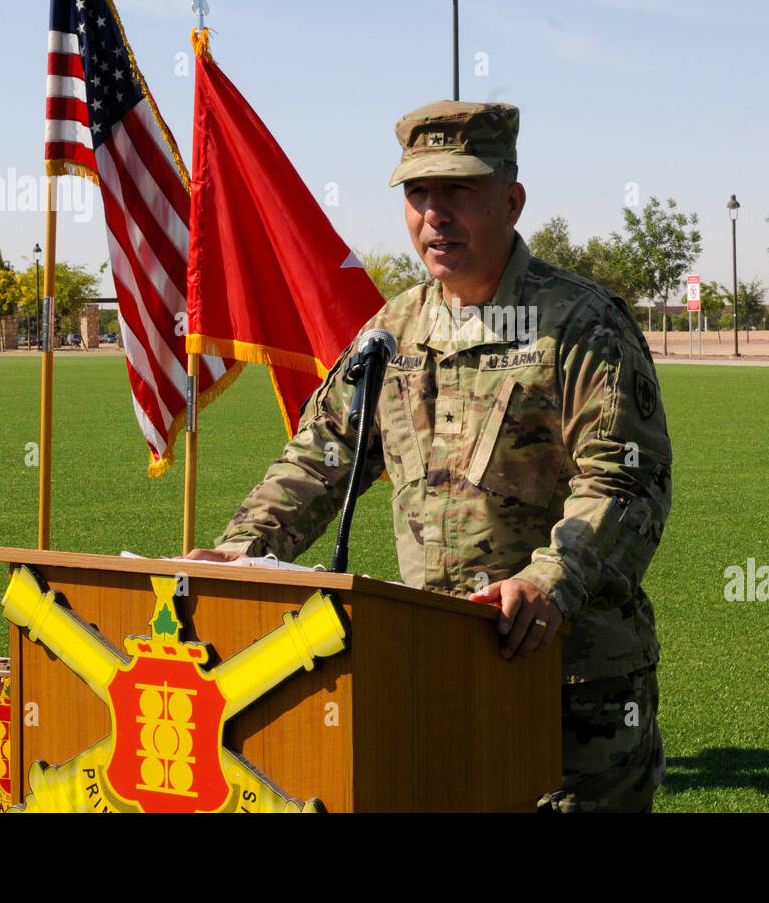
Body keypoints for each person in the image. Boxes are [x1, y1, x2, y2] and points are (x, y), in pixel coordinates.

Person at [189, 100, 672, 812]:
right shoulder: (393, 331)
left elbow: (626, 482)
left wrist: (550, 581)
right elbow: (320, 456)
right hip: (434, 674)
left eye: (458, 190)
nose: (434, 214)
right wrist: (243, 552)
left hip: (569, 692)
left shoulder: (582, 325)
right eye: (418, 194)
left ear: (511, 200)